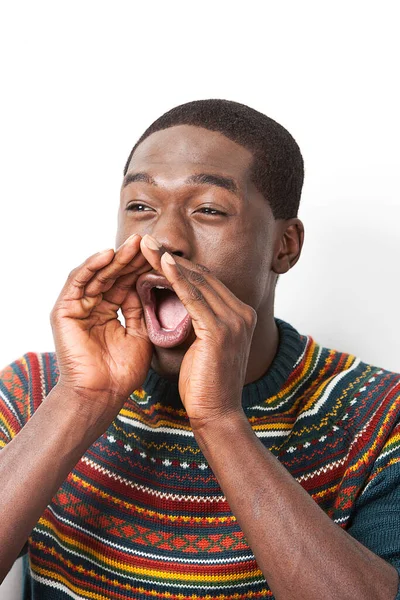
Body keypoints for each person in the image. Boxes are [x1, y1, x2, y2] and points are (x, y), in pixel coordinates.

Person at [0, 99, 399, 600]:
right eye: (140, 207)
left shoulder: (381, 416)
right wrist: (81, 400)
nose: (164, 239)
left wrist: (219, 420)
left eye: (209, 209)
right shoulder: (34, 393)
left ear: (286, 246)